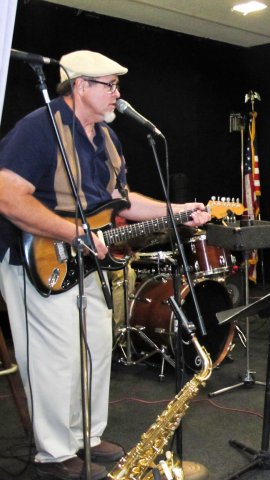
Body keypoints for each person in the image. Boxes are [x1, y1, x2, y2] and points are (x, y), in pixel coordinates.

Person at [0, 50, 210, 480]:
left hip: (85, 263)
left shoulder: (108, 138)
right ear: (80, 86)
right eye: (110, 85)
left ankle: (88, 436)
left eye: (117, 86)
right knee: (55, 357)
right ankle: (55, 453)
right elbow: (7, 195)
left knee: (96, 345)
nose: (117, 94)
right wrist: (69, 232)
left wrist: (178, 210)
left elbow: (121, 202)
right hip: (36, 258)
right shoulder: (39, 128)